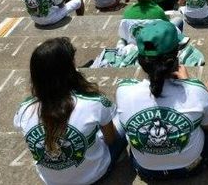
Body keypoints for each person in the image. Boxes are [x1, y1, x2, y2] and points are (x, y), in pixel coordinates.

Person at [14, 38, 125, 185]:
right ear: (70, 68)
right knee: (120, 119)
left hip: (51, 181)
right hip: (94, 175)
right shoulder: (94, 102)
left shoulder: (24, 109)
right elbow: (111, 139)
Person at [115, 20, 208, 180]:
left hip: (146, 170)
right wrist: (189, 83)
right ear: (176, 56)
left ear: (141, 60)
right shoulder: (197, 90)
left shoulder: (123, 91)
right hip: (190, 167)